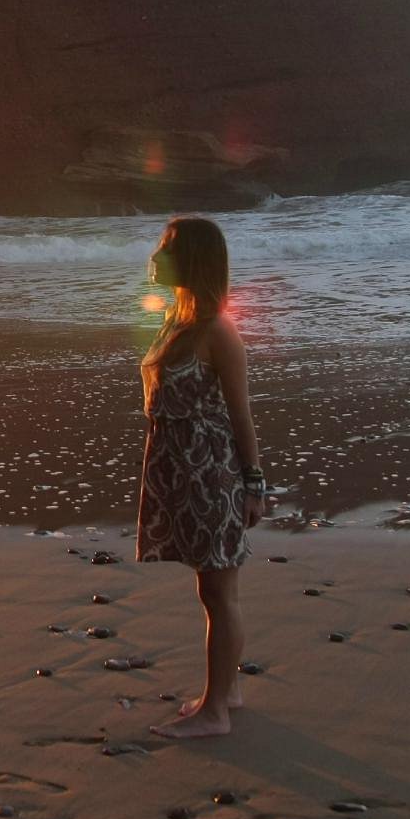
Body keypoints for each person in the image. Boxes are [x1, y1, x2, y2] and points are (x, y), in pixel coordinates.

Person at [134, 215, 264, 739]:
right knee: (210, 589)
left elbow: (242, 416)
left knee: (218, 591)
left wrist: (253, 485)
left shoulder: (217, 330)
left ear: (193, 259)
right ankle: (226, 691)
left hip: (211, 473)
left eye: (167, 248)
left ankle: (216, 713)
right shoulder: (178, 320)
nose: (156, 256)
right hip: (181, 471)